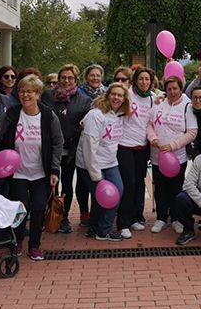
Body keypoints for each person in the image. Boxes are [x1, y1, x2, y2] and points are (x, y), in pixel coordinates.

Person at [0, 75, 63, 261]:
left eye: (30, 91)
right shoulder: (11, 114)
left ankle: (35, 246)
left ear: (38, 94)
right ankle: (17, 241)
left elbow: (58, 143)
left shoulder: (48, 116)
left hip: (41, 172)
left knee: (40, 207)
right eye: (22, 91)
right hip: (17, 173)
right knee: (20, 209)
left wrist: (54, 170)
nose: (25, 95)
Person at [41, 64, 92, 234]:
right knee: (50, 183)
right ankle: (48, 215)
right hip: (50, 148)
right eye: (63, 77)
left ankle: (64, 218)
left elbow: (85, 126)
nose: (66, 81)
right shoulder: (47, 96)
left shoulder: (84, 100)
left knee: (67, 184)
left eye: (70, 78)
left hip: (71, 149)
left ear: (76, 80)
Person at [78, 83, 131, 242]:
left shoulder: (120, 114)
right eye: (113, 94)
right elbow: (89, 146)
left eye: (120, 95)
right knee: (106, 196)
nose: (116, 98)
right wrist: (96, 175)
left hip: (110, 162)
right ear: (107, 95)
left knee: (116, 192)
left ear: (124, 99)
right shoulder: (96, 115)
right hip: (90, 164)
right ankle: (103, 231)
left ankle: (96, 227)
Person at [146, 76, 197, 234]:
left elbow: (192, 132)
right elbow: (149, 125)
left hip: (178, 157)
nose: (172, 92)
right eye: (169, 89)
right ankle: (161, 218)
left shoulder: (187, 106)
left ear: (181, 89)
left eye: (175, 88)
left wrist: (173, 145)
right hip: (158, 156)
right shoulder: (158, 105)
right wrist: (153, 138)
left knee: (176, 188)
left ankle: (176, 218)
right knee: (160, 188)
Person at [116, 67, 155, 239]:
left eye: (147, 79)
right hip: (124, 145)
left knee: (139, 183)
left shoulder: (154, 99)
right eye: (141, 79)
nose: (144, 82)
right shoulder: (126, 94)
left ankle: (136, 217)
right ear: (135, 80)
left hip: (142, 146)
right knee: (129, 183)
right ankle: (123, 222)